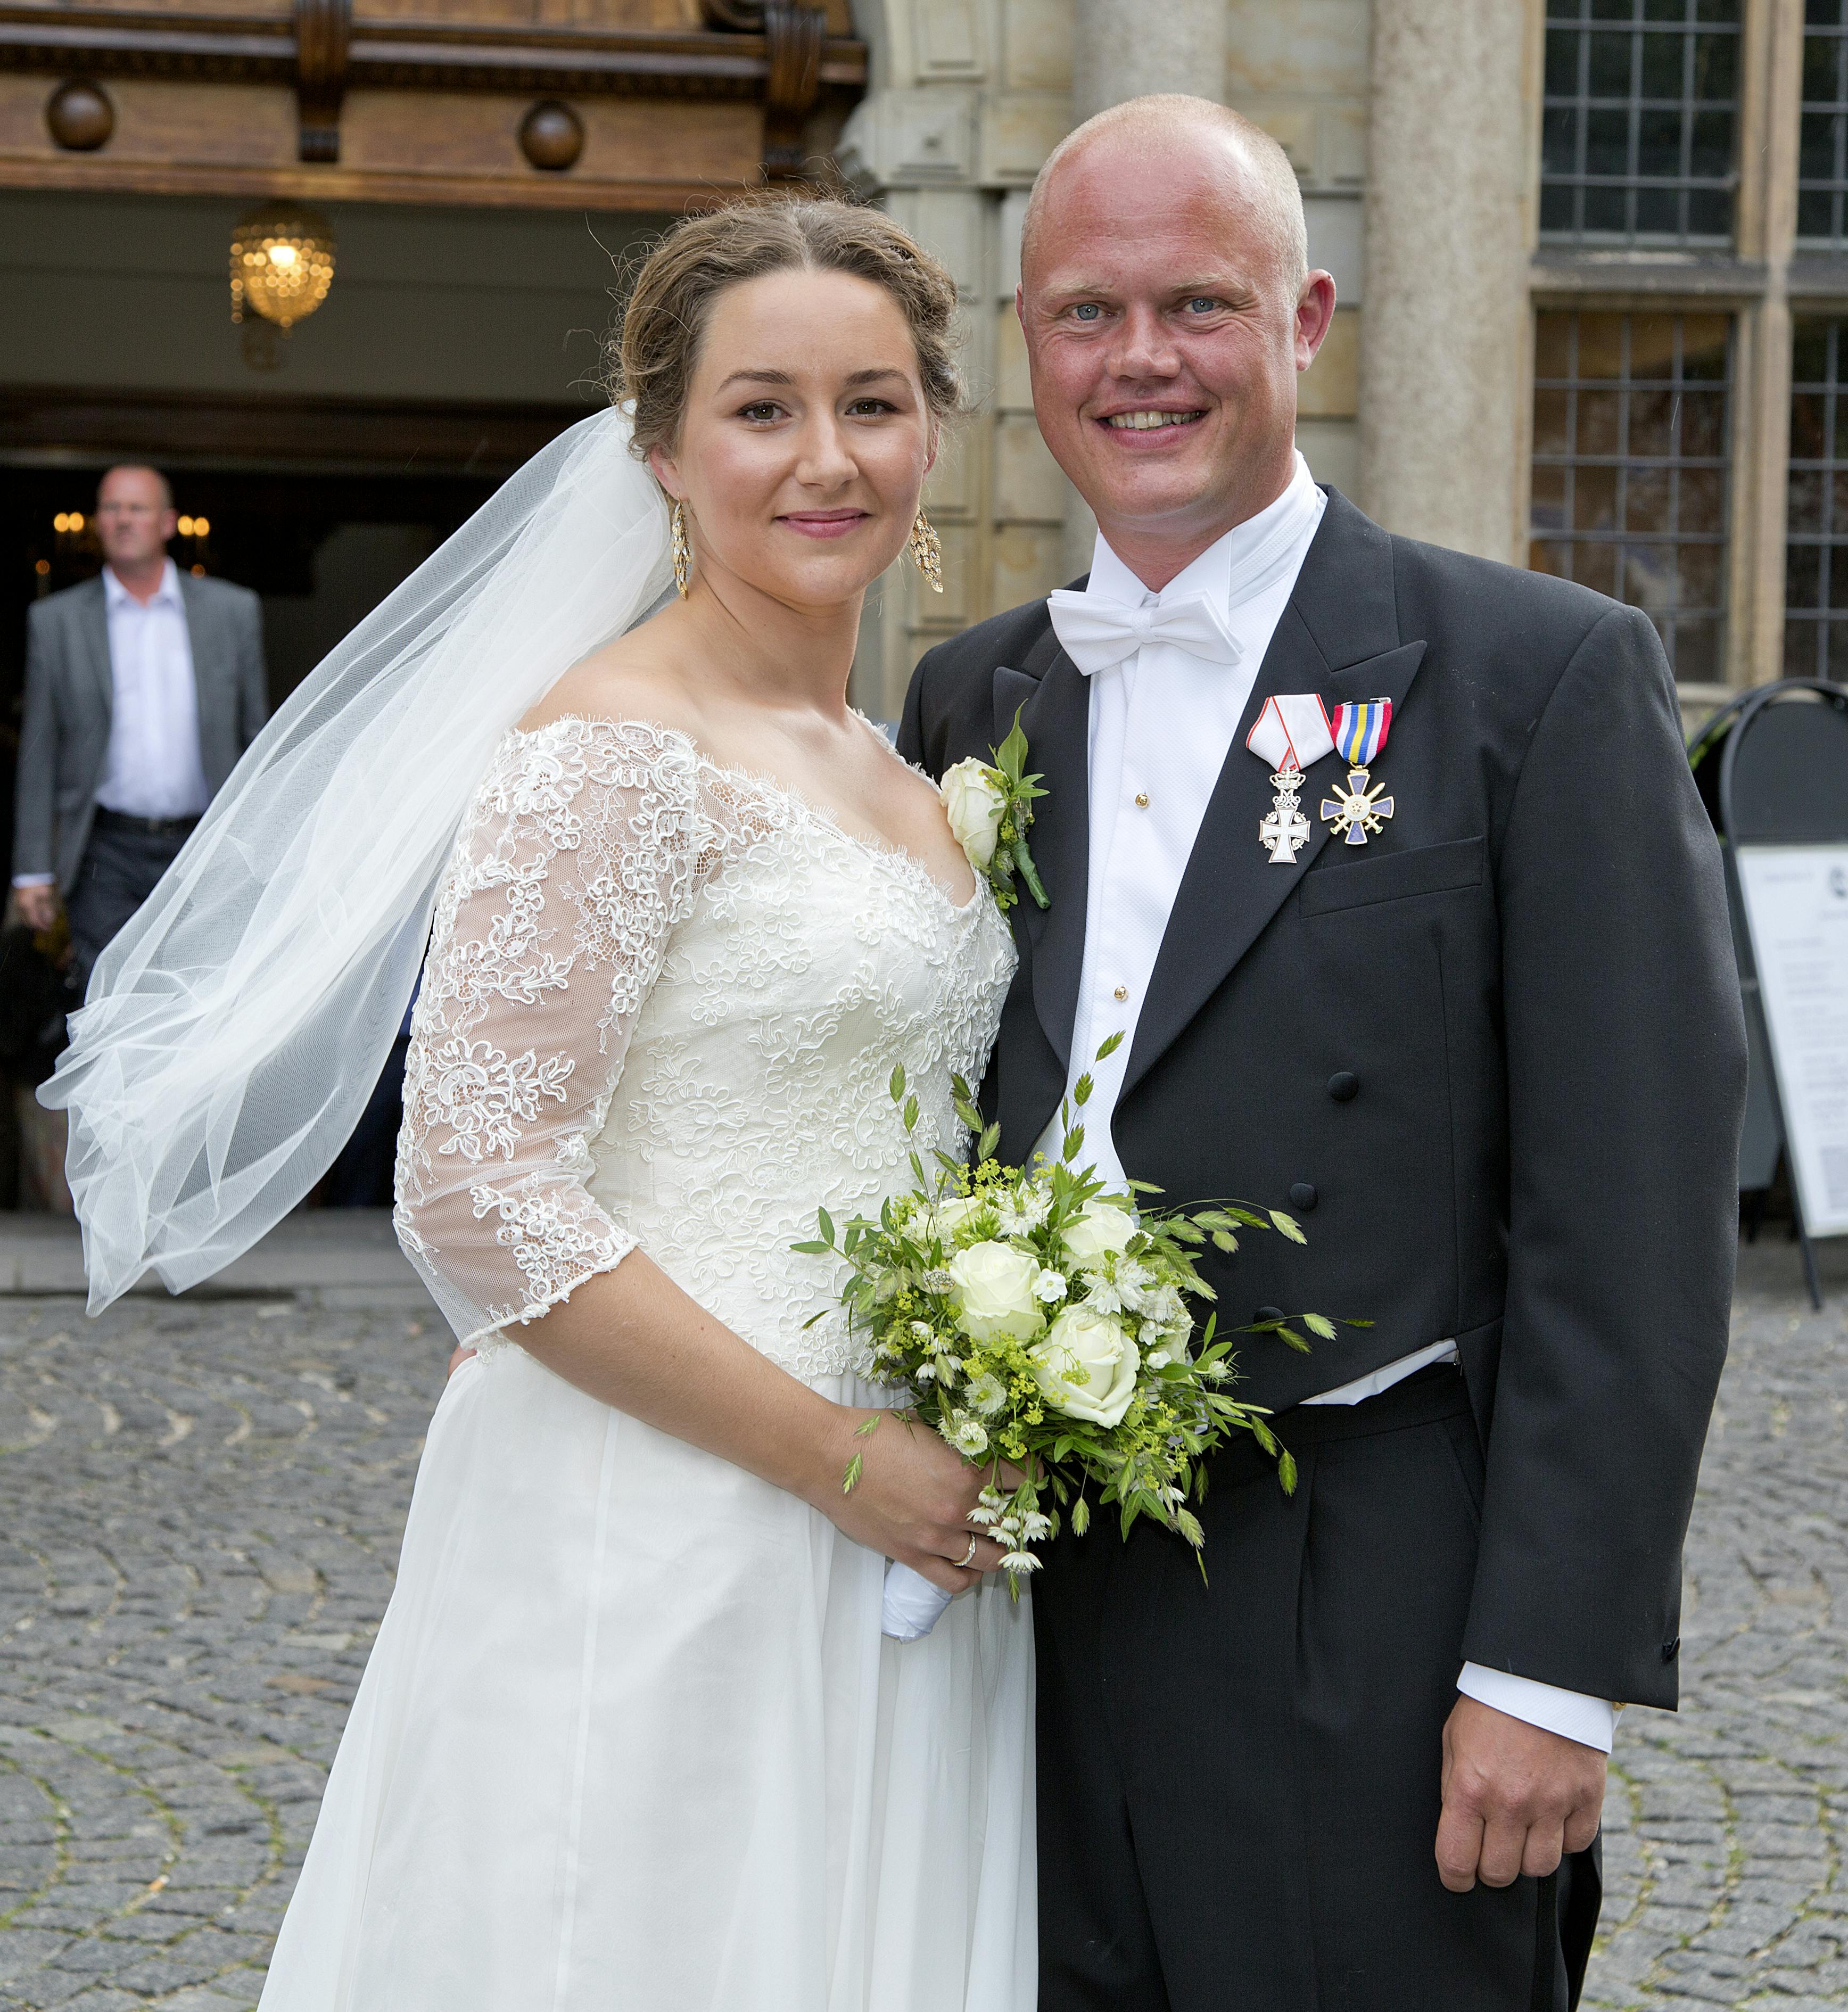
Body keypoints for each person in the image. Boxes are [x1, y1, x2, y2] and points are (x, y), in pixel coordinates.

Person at [45, 199, 1035, 2009]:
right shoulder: (604, 753)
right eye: (761, 410)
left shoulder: (900, 765)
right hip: (673, 1506)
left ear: (936, 430)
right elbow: (479, 1194)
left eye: (874, 404)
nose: (828, 459)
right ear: (659, 448)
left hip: (903, 1523)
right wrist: (847, 1462)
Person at [900, 96, 1747, 2011]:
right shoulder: (972, 693)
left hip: (1362, 1590)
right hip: (1020, 1604)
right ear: (1023, 339)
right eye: (1083, 311)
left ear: (1306, 319)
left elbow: (1625, 1214)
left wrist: (1544, 1665)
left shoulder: (1532, 676)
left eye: (1195, 303)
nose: (1138, 361)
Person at [11, 465, 267, 986]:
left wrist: (266, 847)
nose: (123, 519)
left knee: (199, 1004)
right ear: (97, 523)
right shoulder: (56, 621)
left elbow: (258, 740)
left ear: (168, 523)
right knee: (106, 1005)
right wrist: (33, 869)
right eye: (111, 507)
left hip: (206, 848)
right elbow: (40, 752)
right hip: (105, 852)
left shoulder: (232, 612)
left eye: (137, 508)